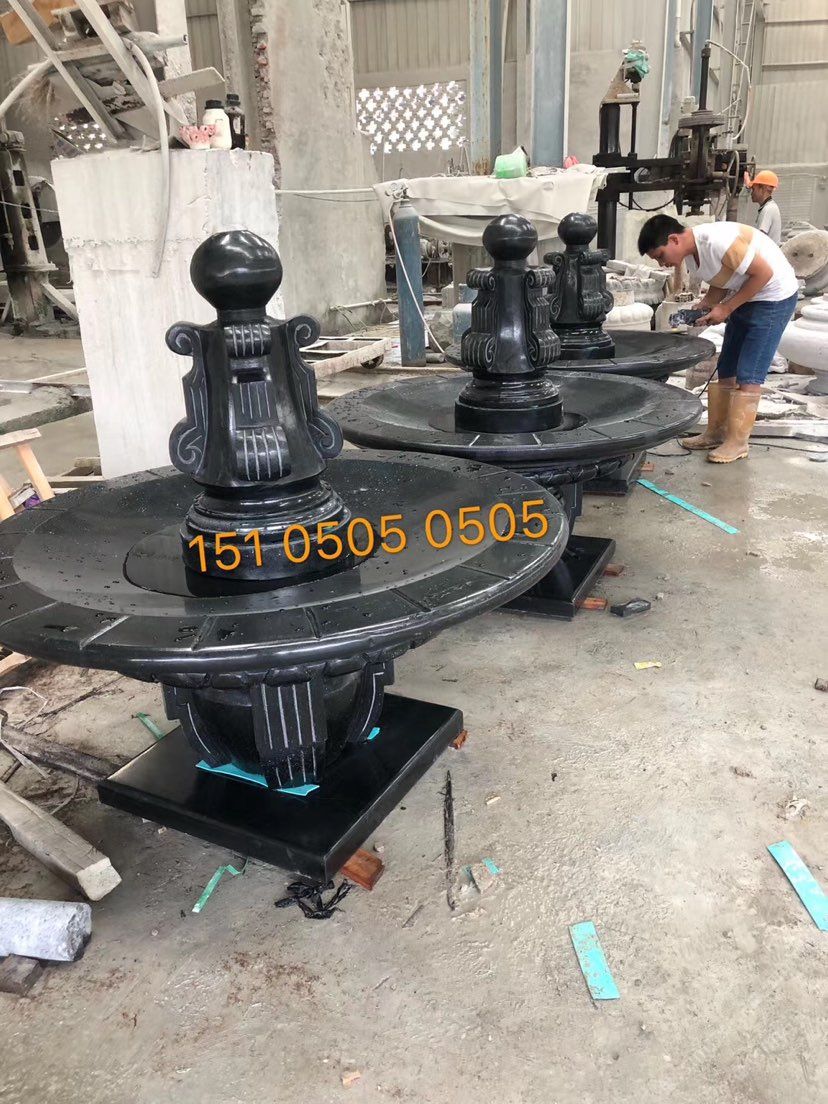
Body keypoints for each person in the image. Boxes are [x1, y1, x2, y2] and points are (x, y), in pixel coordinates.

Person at [638, 214, 798, 463]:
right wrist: (707, 305)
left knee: (749, 372)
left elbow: (763, 274)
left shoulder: (718, 242)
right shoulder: (692, 255)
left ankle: (737, 443)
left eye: (660, 255)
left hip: (773, 298)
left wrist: (727, 307)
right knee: (727, 367)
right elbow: (723, 277)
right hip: (748, 295)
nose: (662, 264)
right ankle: (716, 433)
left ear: (674, 239)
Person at [746, 169, 782, 244]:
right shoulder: (769, 207)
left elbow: (760, 238)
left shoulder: (768, 209)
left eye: (753, 189)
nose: (752, 193)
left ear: (762, 188)